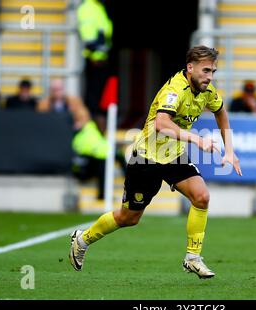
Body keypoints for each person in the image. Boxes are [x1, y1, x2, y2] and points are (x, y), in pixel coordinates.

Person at [69, 45, 242, 279]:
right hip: (146, 158)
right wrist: (195, 139)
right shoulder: (174, 91)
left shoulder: (207, 91)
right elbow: (162, 124)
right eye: (206, 70)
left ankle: (193, 257)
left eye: (213, 71)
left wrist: (229, 150)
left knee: (202, 196)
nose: (210, 76)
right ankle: (82, 239)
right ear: (190, 68)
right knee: (128, 218)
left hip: (174, 156)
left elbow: (221, 112)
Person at [37, 79, 110, 200]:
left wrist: (76, 125)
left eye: (59, 89)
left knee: (100, 162)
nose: (57, 92)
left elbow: (84, 117)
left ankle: (101, 193)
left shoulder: (73, 102)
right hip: (54, 144)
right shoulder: (44, 104)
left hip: (74, 143)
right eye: (54, 90)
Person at [77, 0, 114, 133]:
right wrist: (94, 55)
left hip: (101, 59)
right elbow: (88, 35)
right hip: (94, 60)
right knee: (92, 100)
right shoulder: (88, 7)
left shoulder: (98, 6)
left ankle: (97, 128)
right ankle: (90, 128)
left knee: (98, 99)